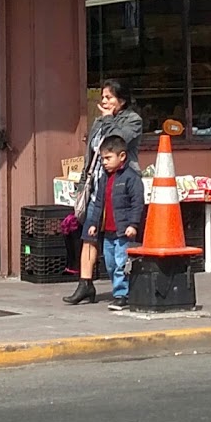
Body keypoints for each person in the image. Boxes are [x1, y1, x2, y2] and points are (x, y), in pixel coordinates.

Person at [63, 79, 144, 306]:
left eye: (109, 97)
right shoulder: (98, 122)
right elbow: (91, 154)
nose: (105, 102)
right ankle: (85, 284)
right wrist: (82, 185)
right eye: (103, 97)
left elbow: (118, 141)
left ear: (122, 99)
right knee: (88, 235)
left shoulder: (133, 120)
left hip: (119, 186)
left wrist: (109, 120)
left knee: (117, 243)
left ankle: (122, 290)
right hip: (96, 185)